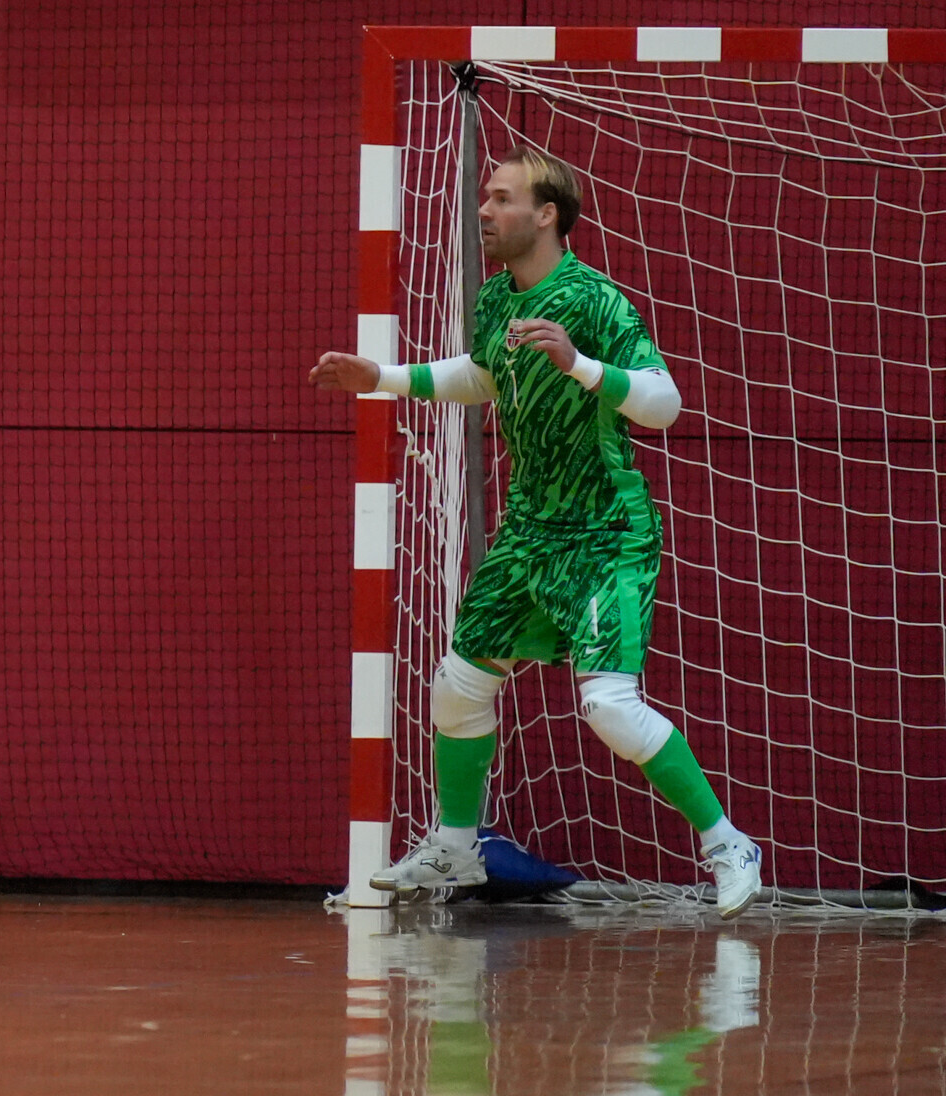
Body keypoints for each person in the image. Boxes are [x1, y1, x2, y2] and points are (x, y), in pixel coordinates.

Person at [312, 143, 760, 914]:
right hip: (528, 533)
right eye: (485, 197)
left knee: (609, 707)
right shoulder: (496, 300)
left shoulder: (594, 299)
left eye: (502, 198)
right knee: (457, 687)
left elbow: (665, 403)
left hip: (605, 532)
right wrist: (382, 378)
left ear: (547, 214)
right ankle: (457, 847)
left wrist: (580, 363)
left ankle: (728, 842)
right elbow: (482, 375)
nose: (484, 211)